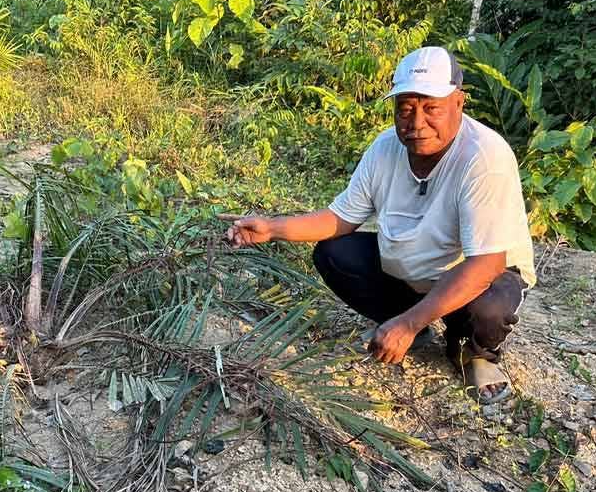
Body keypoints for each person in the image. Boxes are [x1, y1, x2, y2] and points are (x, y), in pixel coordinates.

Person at [225, 46, 535, 403]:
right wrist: (272, 228)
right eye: (405, 109)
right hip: (416, 268)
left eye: (431, 108)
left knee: (490, 309)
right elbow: (339, 219)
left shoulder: (484, 158)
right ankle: (409, 325)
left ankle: (471, 352)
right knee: (335, 252)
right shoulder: (385, 149)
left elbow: (485, 265)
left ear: (458, 102)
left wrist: (409, 322)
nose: (416, 124)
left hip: (480, 274)